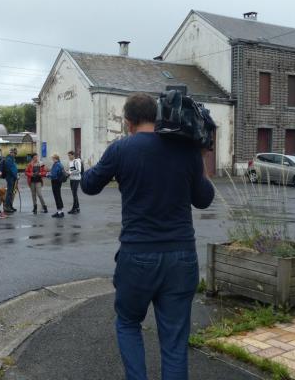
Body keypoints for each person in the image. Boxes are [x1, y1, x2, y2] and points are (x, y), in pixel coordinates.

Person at [81, 93, 214, 380]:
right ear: (156, 116)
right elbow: (204, 199)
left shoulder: (121, 149)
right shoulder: (186, 148)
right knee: (175, 341)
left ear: (128, 122)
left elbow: (89, 186)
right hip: (181, 257)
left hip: (137, 255)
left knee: (128, 323)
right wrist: (201, 157)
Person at [3, 148, 19, 213]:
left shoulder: (12, 159)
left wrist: (16, 175)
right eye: (14, 153)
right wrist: (16, 176)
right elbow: (11, 170)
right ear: (11, 153)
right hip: (10, 178)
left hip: (13, 177)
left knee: (11, 193)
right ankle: (6, 207)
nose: (15, 154)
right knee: (9, 192)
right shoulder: (9, 159)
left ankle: (10, 206)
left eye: (15, 153)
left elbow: (14, 168)